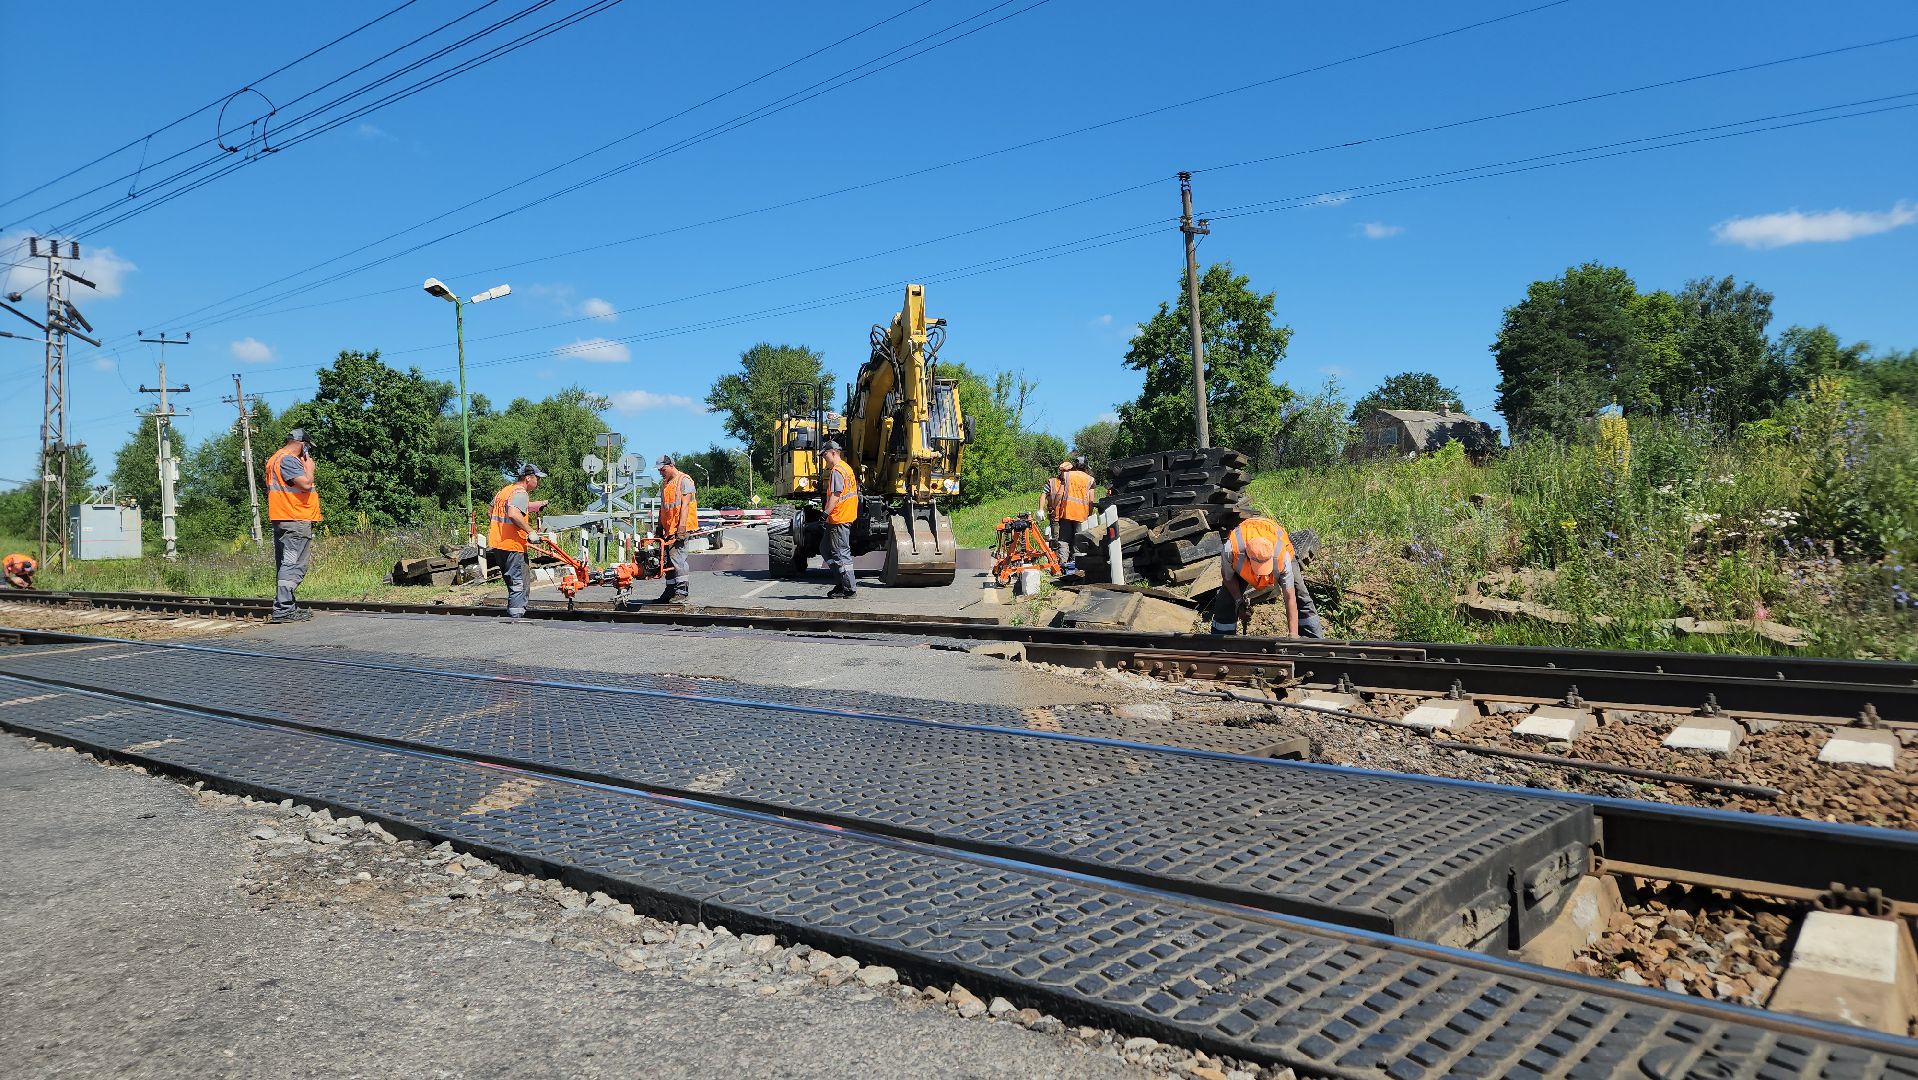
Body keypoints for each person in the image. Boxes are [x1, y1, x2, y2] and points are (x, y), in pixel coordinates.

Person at [1209, 515, 1324, 638]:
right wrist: (1239, 602)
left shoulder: (1282, 556)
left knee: (1299, 592)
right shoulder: (1231, 550)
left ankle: (1313, 639)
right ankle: (1222, 642)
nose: (1262, 574)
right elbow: (1228, 578)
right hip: (1242, 548)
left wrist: (1293, 635)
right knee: (1226, 599)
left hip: (1276, 542)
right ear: (1248, 558)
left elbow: (1290, 597)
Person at [263, 428, 321, 624]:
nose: (308, 452)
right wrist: (310, 468)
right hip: (294, 519)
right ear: (302, 445)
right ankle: (284, 608)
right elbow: (305, 484)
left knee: (286, 563)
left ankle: (287, 605)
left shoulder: (275, 459)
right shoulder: (288, 460)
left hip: (284, 517)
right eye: (308, 448)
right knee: (293, 564)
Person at [487, 463, 549, 618]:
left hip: (498, 544)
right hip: (513, 546)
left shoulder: (504, 491)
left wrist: (535, 506)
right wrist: (530, 531)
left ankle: (514, 614)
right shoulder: (521, 492)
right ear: (528, 478)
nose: (538, 481)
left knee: (512, 582)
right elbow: (514, 513)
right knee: (519, 584)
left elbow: (491, 512)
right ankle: (516, 620)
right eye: (537, 478)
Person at [653, 454, 698, 604]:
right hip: (669, 528)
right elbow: (663, 507)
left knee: (678, 558)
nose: (661, 472)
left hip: (681, 528)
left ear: (671, 466)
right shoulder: (665, 484)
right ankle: (670, 590)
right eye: (659, 470)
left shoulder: (684, 480)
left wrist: (682, 528)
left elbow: (685, 506)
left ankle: (681, 591)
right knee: (667, 561)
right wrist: (659, 527)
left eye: (663, 469)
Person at [819, 440, 859, 599]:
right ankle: (841, 581)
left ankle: (848, 588)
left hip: (839, 517)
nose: (824, 458)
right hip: (840, 517)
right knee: (825, 548)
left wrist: (825, 514)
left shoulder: (837, 470)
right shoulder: (846, 468)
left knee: (841, 553)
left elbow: (836, 496)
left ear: (833, 452)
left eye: (825, 455)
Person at [1053, 457, 1096, 573]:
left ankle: (1062, 565)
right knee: (1079, 540)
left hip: (1067, 513)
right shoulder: (1090, 480)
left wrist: (1053, 507)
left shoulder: (1067, 475)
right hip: (1082, 515)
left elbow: (1059, 494)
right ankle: (1077, 566)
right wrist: (1089, 514)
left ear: (1075, 466)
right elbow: (1091, 500)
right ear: (1086, 467)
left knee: (1064, 540)